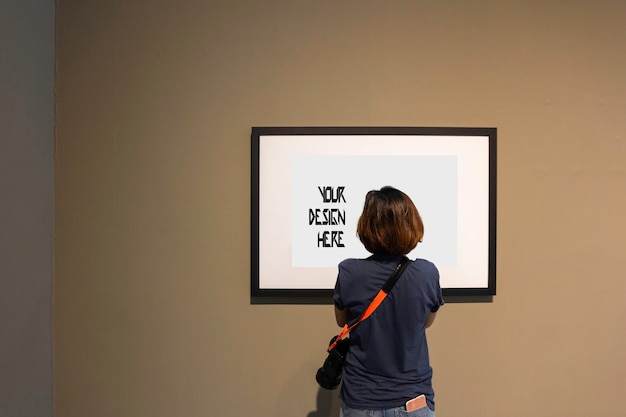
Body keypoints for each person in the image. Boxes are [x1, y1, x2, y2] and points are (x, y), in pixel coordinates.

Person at [333, 186, 444, 417]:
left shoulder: (349, 271)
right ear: (412, 224)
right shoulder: (426, 273)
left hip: (360, 400)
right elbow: (426, 322)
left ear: (366, 226)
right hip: (413, 399)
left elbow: (341, 321)